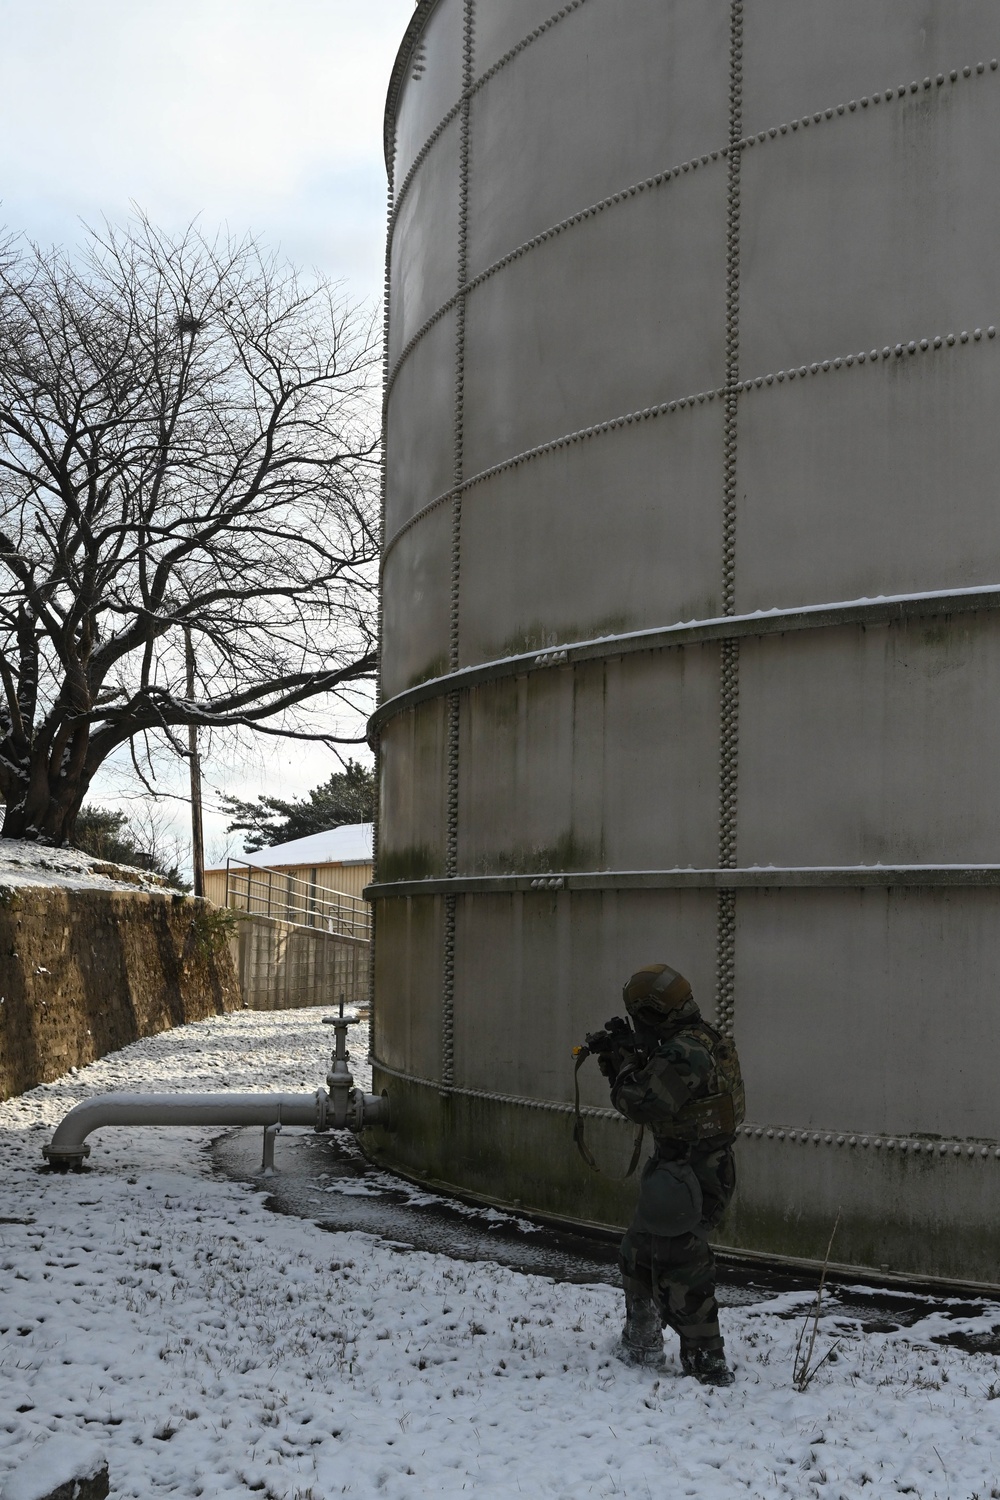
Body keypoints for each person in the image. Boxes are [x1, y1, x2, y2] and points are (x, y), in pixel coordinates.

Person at [597, 963, 744, 1386]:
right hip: (685, 1167)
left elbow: (643, 1103)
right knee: (638, 1251)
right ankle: (641, 1341)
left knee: (683, 1264)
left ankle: (708, 1363)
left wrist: (621, 1068)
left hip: (690, 1172)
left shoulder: (686, 1051)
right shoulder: (698, 1040)